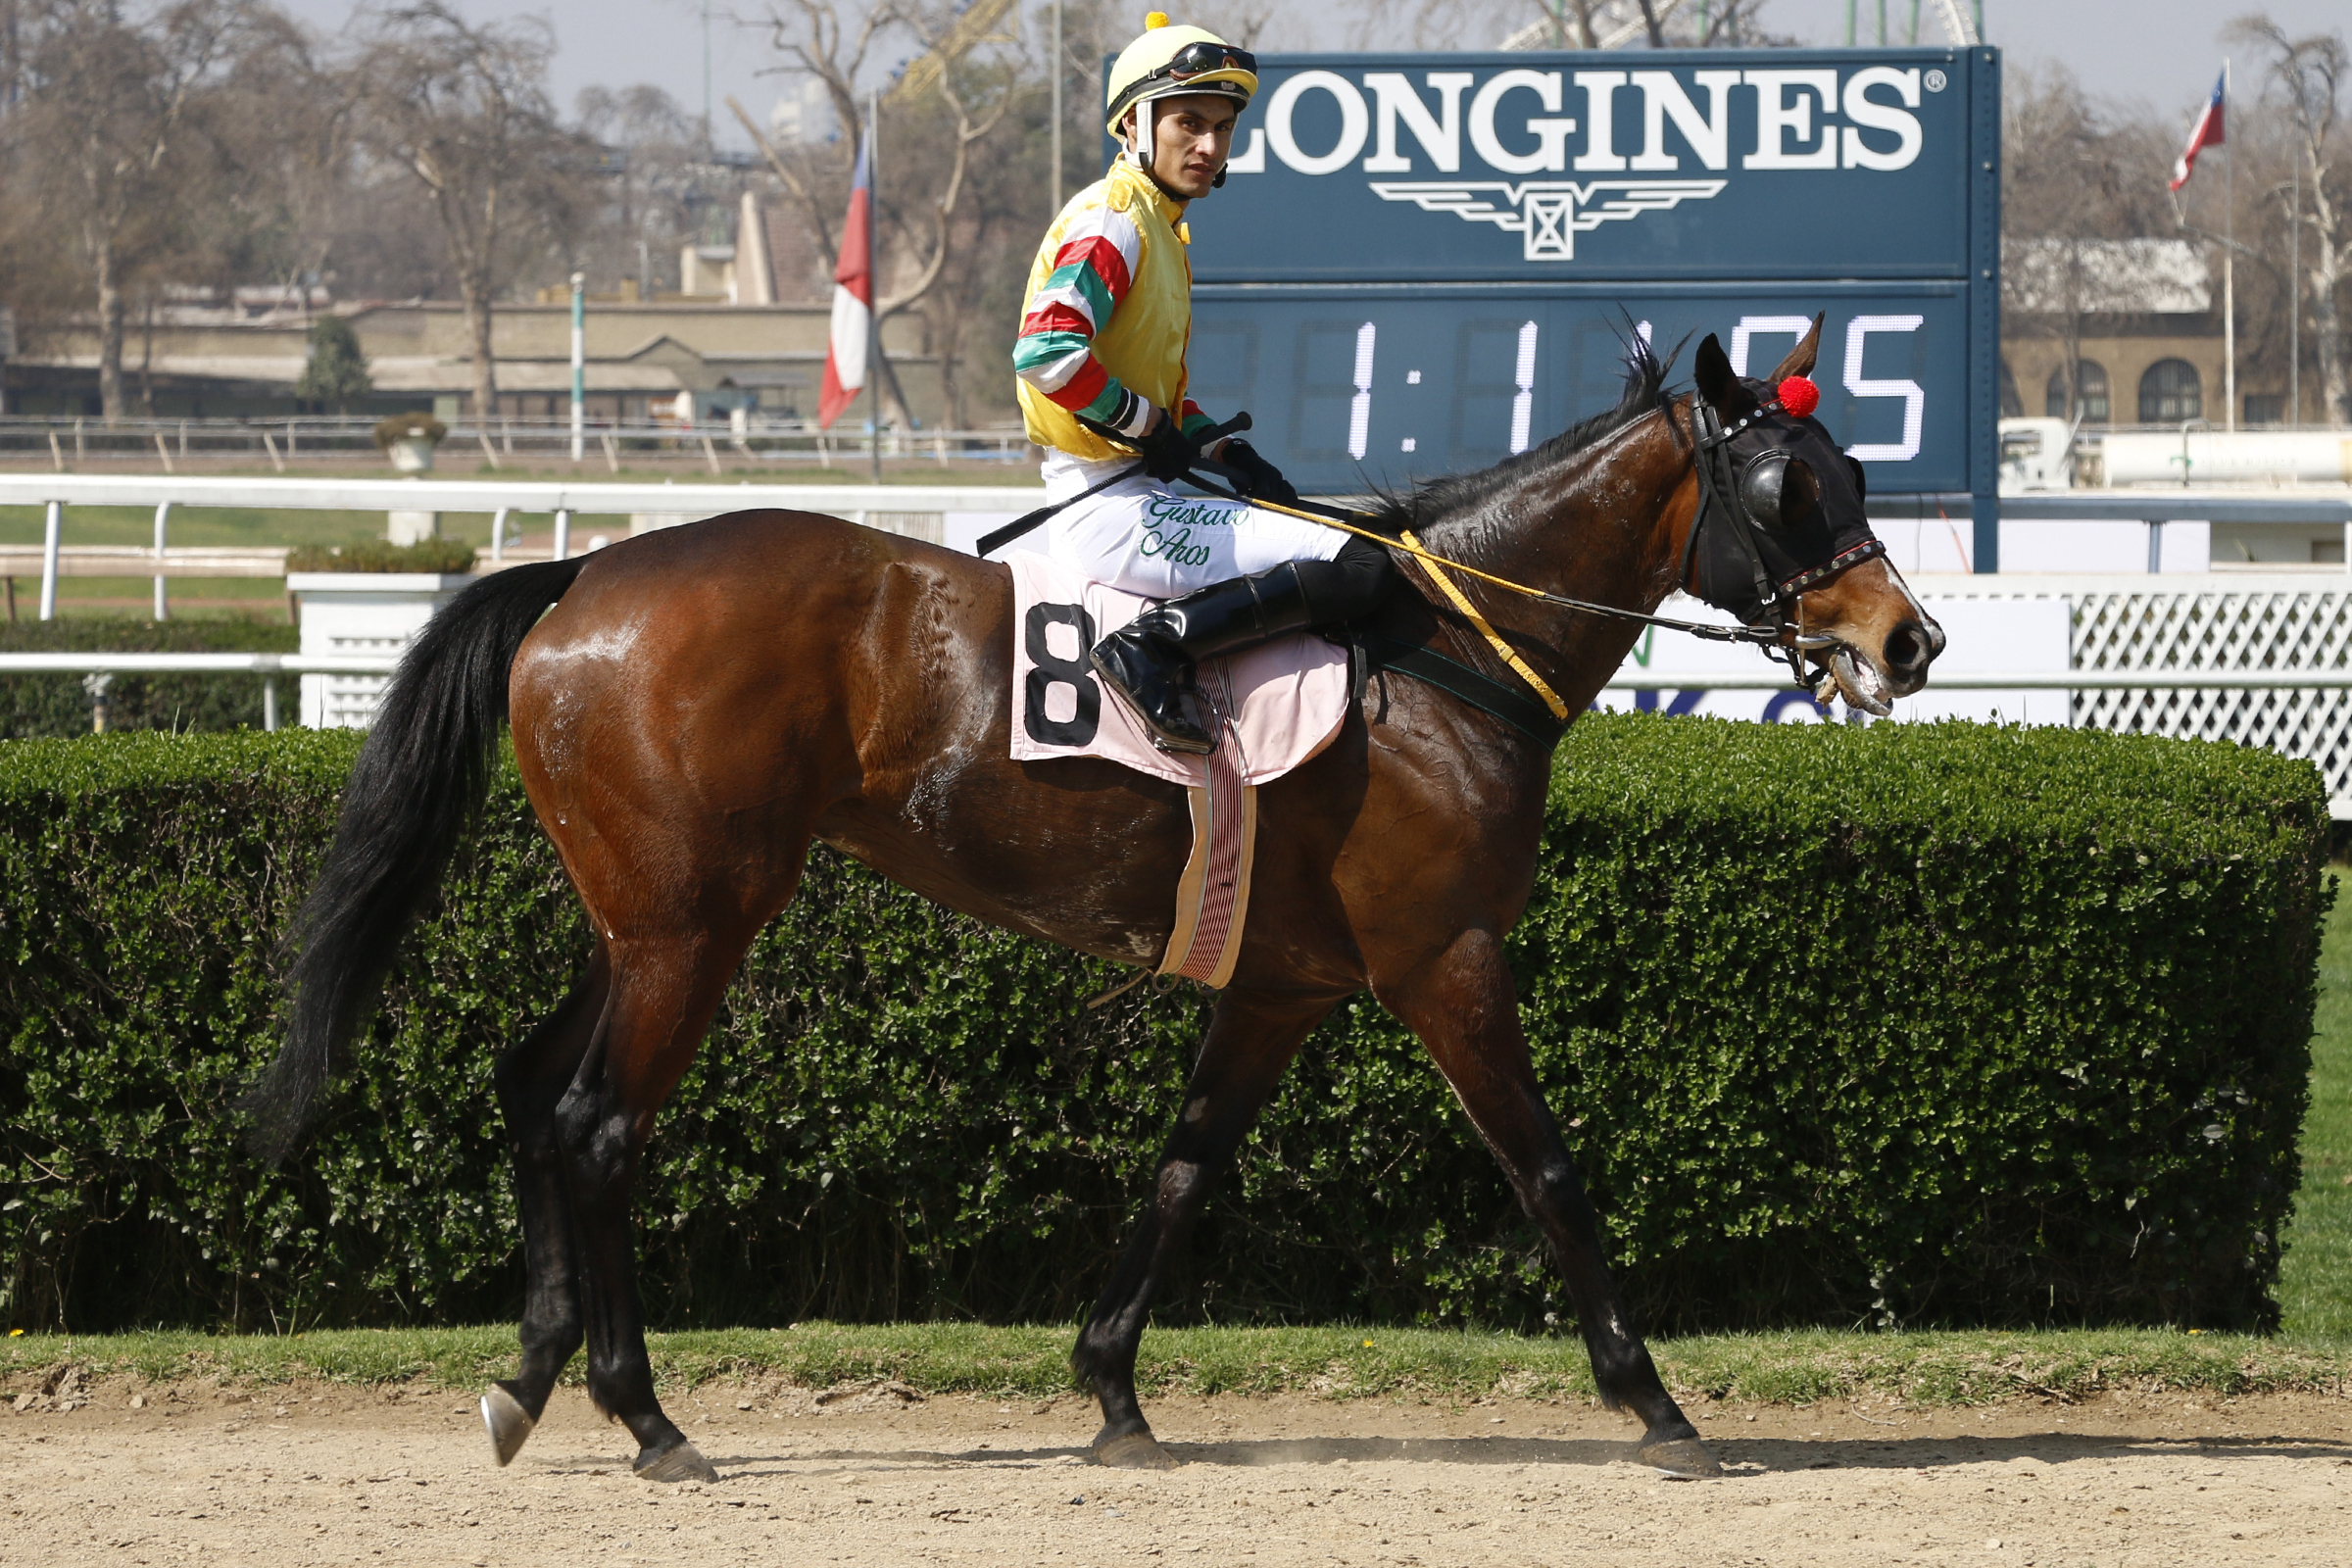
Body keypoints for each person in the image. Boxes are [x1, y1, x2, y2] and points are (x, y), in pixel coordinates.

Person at [1012, 14, 1394, 755]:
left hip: (1135, 491)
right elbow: (1047, 353)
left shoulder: (1160, 226)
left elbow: (1155, 392)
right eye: (1189, 123)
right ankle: (1150, 648)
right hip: (1107, 507)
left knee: (1356, 540)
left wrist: (1221, 451)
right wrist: (1146, 427)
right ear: (1134, 124)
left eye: (1222, 128)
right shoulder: (1115, 221)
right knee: (1358, 561)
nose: (1210, 146)